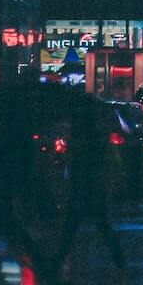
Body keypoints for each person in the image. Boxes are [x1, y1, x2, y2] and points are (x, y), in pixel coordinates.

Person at [52, 109, 125, 275]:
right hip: (92, 190)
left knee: (71, 229)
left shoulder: (80, 142)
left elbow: (74, 166)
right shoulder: (95, 141)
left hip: (82, 190)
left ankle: (56, 263)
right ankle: (119, 259)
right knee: (101, 226)